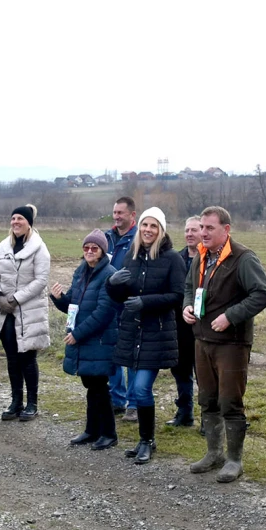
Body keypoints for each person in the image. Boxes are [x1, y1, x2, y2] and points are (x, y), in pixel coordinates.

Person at [182, 206, 266, 483]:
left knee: (230, 401)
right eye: (202, 227)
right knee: (207, 399)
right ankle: (214, 453)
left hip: (231, 344)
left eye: (210, 228)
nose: (203, 232)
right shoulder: (200, 255)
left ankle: (234, 460)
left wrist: (231, 316)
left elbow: (262, 294)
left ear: (226, 229)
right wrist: (187, 306)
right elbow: (189, 287)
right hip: (202, 340)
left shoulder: (243, 258)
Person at [106, 207, 187, 464]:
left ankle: (147, 441)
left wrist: (146, 302)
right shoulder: (132, 256)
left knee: (141, 388)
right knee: (138, 389)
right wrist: (112, 284)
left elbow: (177, 296)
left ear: (161, 230)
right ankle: (144, 441)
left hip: (157, 333)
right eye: (144, 225)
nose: (148, 230)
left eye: (153, 226)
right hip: (133, 331)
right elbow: (122, 296)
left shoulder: (172, 259)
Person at [50, 230, 121, 450]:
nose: (89, 251)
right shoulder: (82, 271)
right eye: (86, 247)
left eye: (94, 248)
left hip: (100, 340)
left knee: (99, 386)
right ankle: (92, 430)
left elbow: (103, 313)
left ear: (102, 251)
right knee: (90, 384)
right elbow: (73, 304)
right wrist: (58, 298)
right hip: (85, 338)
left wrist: (77, 334)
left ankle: (108, 433)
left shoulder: (109, 275)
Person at [0, 205, 51, 421]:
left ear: (29, 223)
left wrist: (16, 298)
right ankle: (16, 401)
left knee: (27, 358)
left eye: (20, 219)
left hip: (29, 311)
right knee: (12, 359)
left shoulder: (39, 249)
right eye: (13, 218)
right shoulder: (2, 247)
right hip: (5, 312)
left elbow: (41, 280)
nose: (16, 222)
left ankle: (32, 403)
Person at [168, 216, 202, 428]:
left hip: (202, 325)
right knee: (180, 371)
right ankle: (184, 412)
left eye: (194, 230)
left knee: (204, 374)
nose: (189, 234)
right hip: (179, 326)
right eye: (187, 230)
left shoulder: (210, 259)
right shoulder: (176, 258)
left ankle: (208, 419)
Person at [107, 196, 139, 418]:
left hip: (131, 304)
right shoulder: (106, 237)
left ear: (132, 215)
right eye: (115, 212)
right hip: (109, 303)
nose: (117, 217)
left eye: (121, 213)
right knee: (112, 352)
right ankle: (116, 398)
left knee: (132, 355)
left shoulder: (139, 239)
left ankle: (134, 403)